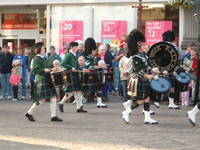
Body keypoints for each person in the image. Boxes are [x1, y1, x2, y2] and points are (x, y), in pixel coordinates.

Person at [122, 29, 157, 124]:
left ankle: (147, 117)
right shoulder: (136, 57)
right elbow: (138, 71)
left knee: (147, 98)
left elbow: (146, 67)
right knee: (140, 101)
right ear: (138, 47)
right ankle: (126, 112)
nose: (145, 46)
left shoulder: (144, 56)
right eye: (143, 45)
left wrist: (153, 70)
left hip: (144, 80)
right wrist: (148, 76)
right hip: (138, 81)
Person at [24, 42, 63, 122]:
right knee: (41, 101)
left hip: (47, 79)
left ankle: (53, 116)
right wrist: (43, 70)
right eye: (42, 48)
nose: (44, 49)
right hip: (41, 80)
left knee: (53, 97)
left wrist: (52, 69)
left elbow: (47, 67)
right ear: (38, 50)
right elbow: (34, 70)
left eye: (43, 48)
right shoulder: (36, 59)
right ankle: (29, 113)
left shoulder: (44, 58)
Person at [59, 41, 87, 113]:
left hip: (76, 74)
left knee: (78, 91)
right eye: (75, 47)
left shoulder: (75, 55)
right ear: (71, 47)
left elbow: (77, 66)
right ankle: (61, 103)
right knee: (72, 91)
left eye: (77, 47)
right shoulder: (69, 55)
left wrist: (82, 69)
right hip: (71, 75)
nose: (77, 48)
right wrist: (71, 68)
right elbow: (63, 63)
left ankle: (79, 107)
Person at [162, 30, 180, 109]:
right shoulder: (175, 46)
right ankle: (171, 102)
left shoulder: (162, 45)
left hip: (162, 68)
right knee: (172, 86)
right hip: (172, 68)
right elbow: (180, 56)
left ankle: (158, 101)